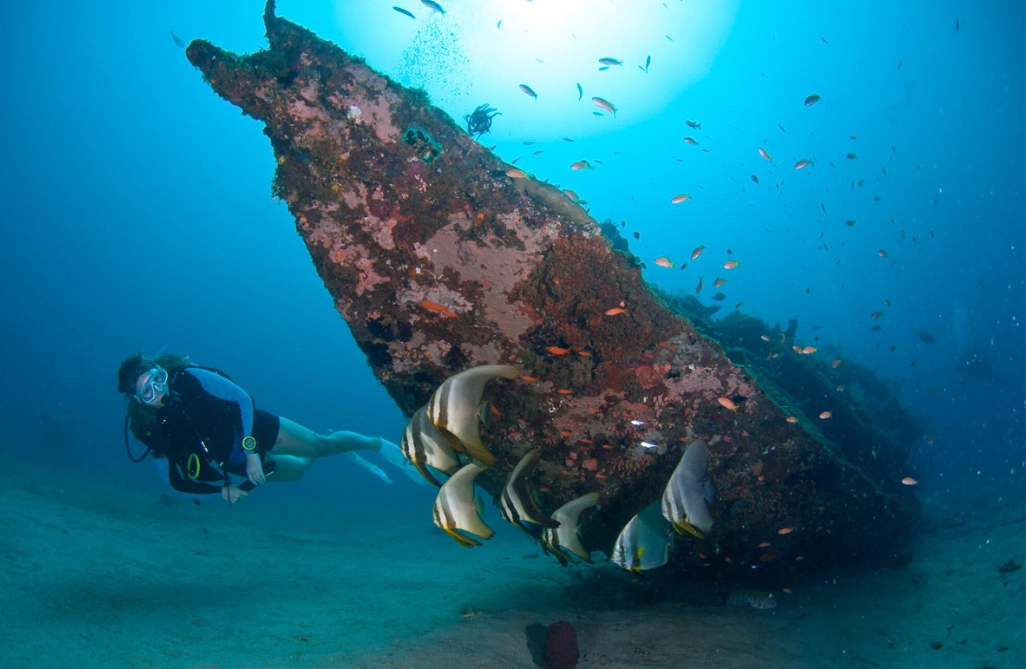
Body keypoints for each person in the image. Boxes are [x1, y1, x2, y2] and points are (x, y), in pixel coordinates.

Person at [116, 352, 417, 504]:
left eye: (157, 378)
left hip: (252, 429)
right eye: (147, 392)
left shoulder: (186, 377)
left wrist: (250, 451)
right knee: (298, 471)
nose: (159, 390)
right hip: (233, 462)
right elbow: (174, 482)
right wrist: (223, 490)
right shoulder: (151, 430)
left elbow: (241, 398)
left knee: (320, 447)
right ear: (138, 401)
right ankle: (333, 443)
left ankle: (374, 443)